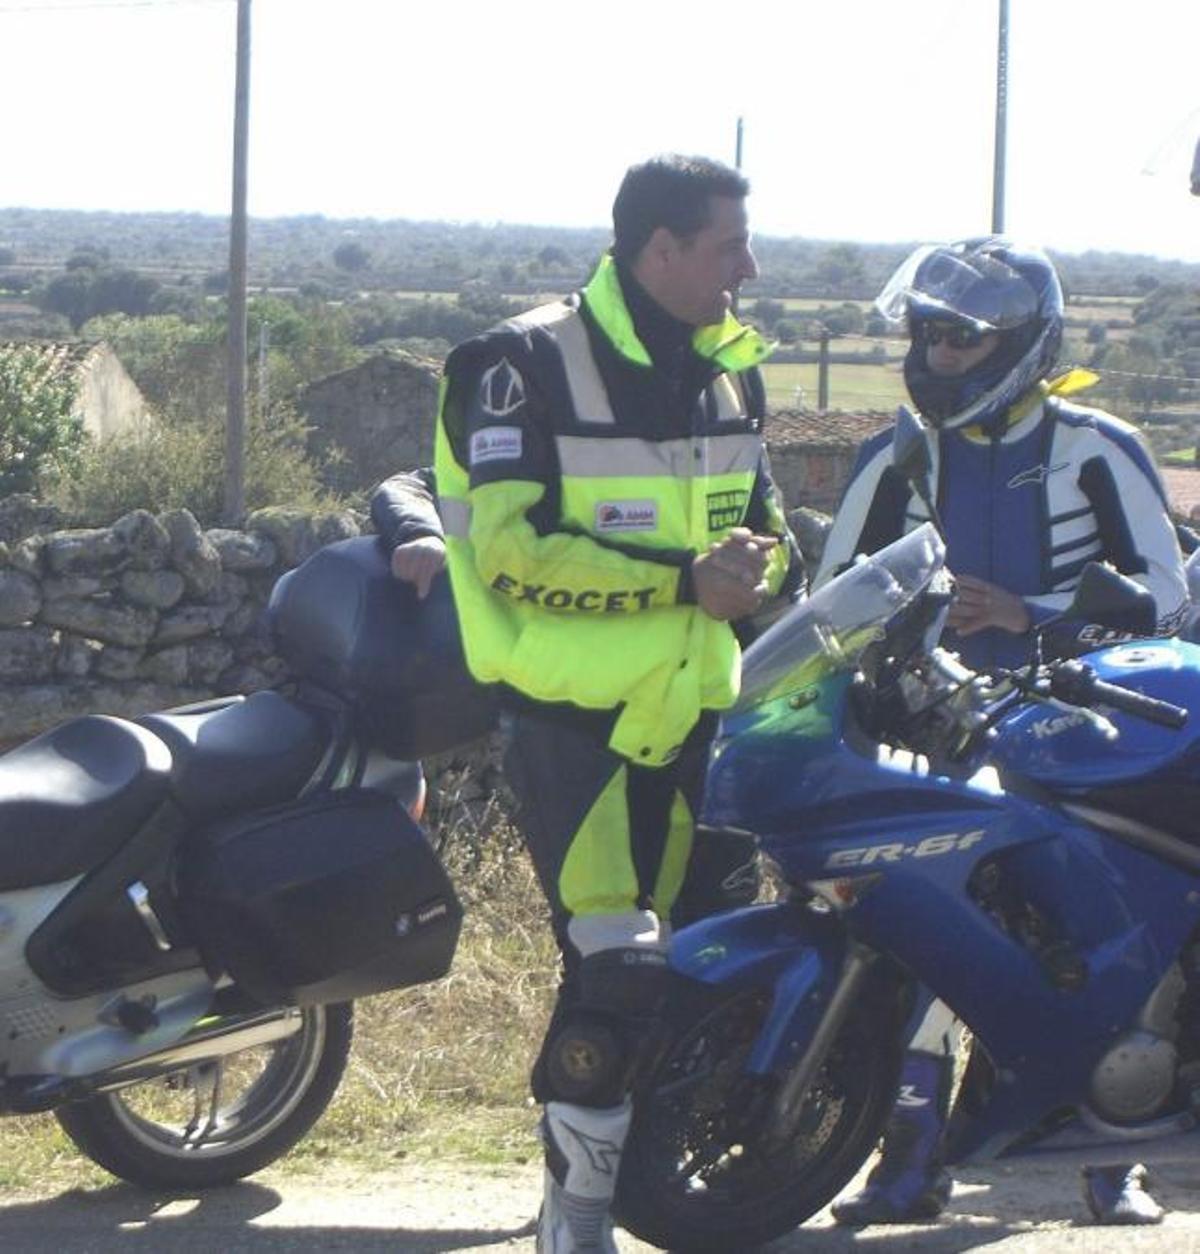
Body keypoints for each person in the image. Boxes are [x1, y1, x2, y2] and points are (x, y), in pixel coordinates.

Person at [431, 153, 802, 1253]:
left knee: (695, 972)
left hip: (699, 718)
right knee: (617, 967)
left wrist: (756, 570)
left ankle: (659, 1193)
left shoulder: (731, 372)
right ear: (660, 250)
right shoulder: (517, 363)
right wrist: (687, 578)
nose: (750, 266)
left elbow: (771, 531)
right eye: (731, 244)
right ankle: (575, 1222)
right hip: (576, 723)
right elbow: (506, 553)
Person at [814, 236, 1188, 1228]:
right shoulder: (896, 453)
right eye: (927, 334)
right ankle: (909, 1157)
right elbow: (828, 596)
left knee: (1102, 934)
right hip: (929, 717)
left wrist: (1035, 616)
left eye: (960, 338)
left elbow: (1165, 594)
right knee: (924, 933)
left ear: (1021, 343)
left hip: (1080, 725)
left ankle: (1114, 1161)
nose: (936, 354)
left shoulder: (1095, 445)